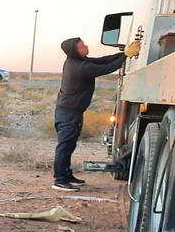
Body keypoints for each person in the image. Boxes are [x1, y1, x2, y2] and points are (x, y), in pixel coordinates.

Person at [52, 37, 141, 191]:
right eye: (81, 47)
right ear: (74, 51)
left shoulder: (79, 62)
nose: (86, 47)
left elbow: (102, 60)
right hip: (69, 113)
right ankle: (60, 180)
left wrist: (124, 54)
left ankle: (67, 175)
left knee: (69, 144)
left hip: (70, 111)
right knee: (65, 146)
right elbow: (106, 68)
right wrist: (125, 56)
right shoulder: (80, 68)